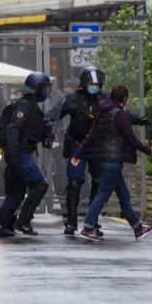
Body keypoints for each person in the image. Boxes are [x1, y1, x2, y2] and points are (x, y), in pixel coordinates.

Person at [71, 85, 152, 242]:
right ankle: (88, 227)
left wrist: (78, 154)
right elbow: (130, 137)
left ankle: (138, 228)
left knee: (124, 195)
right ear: (124, 99)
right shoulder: (119, 114)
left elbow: (90, 136)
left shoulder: (102, 112)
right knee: (102, 195)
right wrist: (147, 150)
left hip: (102, 160)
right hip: (113, 161)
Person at [0, 72, 52, 238]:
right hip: (20, 153)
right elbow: (13, 129)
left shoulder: (30, 106)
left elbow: (29, 131)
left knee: (16, 193)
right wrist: (14, 153)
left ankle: (0, 225)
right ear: (36, 88)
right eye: (44, 88)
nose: (46, 92)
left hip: (17, 153)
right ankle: (23, 221)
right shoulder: (25, 106)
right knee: (40, 185)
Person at [58, 66, 104, 235]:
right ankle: (71, 222)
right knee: (75, 182)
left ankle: (92, 221)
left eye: (98, 84)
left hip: (97, 146)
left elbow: (120, 115)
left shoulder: (103, 100)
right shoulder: (72, 99)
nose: (95, 87)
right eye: (92, 83)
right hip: (77, 146)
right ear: (84, 83)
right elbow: (55, 114)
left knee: (98, 184)